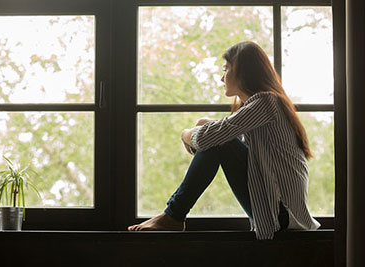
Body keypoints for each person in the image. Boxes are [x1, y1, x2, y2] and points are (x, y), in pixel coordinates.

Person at [128, 41, 320, 240]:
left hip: (282, 217)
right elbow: (222, 139)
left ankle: (173, 215)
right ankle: (172, 216)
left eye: (226, 69)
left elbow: (207, 139)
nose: (222, 77)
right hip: (278, 215)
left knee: (218, 141)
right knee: (217, 138)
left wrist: (186, 133)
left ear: (244, 71)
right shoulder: (265, 106)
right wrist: (204, 125)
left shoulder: (265, 102)